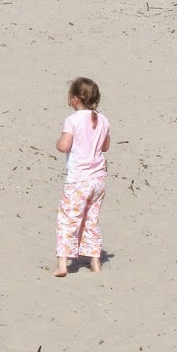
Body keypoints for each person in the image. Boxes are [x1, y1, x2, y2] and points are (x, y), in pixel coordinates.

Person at [54, 77, 111, 277]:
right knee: (91, 219)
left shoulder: (73, 120)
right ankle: (94, 261)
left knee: (68, 219)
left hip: (79, 179)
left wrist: (58, 142)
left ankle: (63, 263)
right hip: (98, 179)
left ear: (75, 99)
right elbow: (105, 146)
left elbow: (64, 146)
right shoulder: (103, 120)